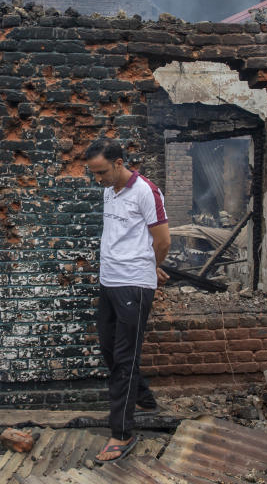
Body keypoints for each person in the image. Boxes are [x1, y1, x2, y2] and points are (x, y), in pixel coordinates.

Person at [83, 138, 170, 464]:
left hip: (133, 287)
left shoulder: (146, 191)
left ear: (119, 163)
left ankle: (122, 433)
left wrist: (152, 268)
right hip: (109, 282)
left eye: (102, 171)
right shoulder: (110, 190)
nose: (98, 179)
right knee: (110, 349)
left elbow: (162, 241)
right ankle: (144, 396)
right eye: (93, 173)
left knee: (123, 358)